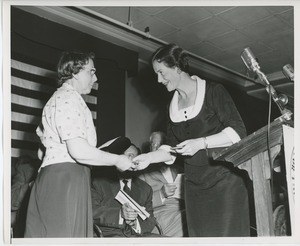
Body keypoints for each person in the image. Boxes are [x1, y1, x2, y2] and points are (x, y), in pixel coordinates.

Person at [133, 43, 250, 237]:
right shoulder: (172, 106)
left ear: (177, 68)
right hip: (195, 187)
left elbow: (238, 132)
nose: (158, 79)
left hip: (225, 182)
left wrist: (201, 143)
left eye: (162, 73)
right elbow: (171, 147)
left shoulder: (213, 91)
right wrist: (148, 158)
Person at [24, 51, 134, 238]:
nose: (96, 77)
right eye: (91, 71)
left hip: (61, 178)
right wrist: (117, 160)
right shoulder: (69, 98)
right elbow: (78, 151)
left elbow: (42, 154)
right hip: (66, 180)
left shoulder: (59, 98)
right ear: (74, 72)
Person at [91, 144, 159, 237]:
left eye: (135, 157)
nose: (132, 161)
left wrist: (136, 224)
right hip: (107, 236)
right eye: (128, 156)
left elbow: (150, 219)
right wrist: (120, 214)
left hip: (137, 237)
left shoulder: (145, 188)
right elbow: (92, 212)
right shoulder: (98, 182)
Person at [138, 131, 187, 237]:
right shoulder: (142, 172)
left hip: (183, 208)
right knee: (189, 219)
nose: (157, 149)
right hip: (160, 213)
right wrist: (161, 194)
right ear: (150, 147)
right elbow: (138, 202)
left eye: (161, 145)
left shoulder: (179, 169)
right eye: (154, 145)